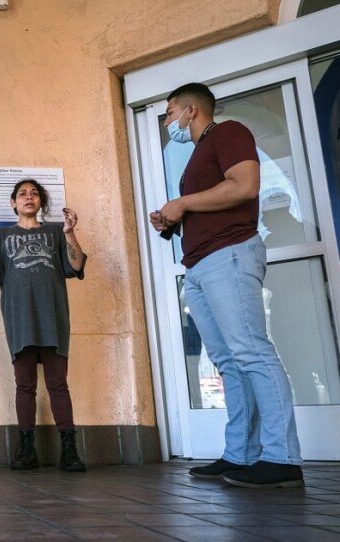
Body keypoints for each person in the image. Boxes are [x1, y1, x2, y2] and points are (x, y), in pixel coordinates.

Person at [150, 83, 304, 488]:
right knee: (230, 362)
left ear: (191, 109)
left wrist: (181, 204)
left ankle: (282, 458)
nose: (168, 122)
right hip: (201, 264)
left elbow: (244, 186)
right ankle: (241, 454)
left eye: (169, 113)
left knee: (251, 352)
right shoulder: (196, 157)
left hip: (230, 254)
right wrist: (172, 220)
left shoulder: (230, 131)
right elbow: (212, 202)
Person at [0, 179, 87, 472]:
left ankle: (69, 450)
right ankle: (26, 449)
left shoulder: (56, 232)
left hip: (53, 317)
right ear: (13, 203)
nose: (29, 197)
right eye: (23, 194)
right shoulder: (0, 237)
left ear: (40, 203)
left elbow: (75, 267)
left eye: (34, 193)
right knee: (24, 385)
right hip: (19, 318)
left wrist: (71, 233)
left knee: (57, 384)